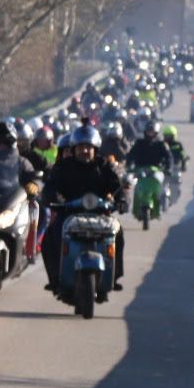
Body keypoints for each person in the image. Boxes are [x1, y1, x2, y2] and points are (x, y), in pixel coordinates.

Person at [43, 125, 127, 293]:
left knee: (118, 233)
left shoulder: (103, 166)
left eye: (89, 147)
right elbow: (51, 188)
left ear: (95, 149)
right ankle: (55, 278)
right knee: (48, 239)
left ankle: (114, 276)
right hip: (68, 214)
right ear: (74, 149)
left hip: (100, 215)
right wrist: (57, 200)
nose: (85, 151)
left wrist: (122, 199)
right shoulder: (63, 166)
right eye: (81, 147)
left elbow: (118, 187)